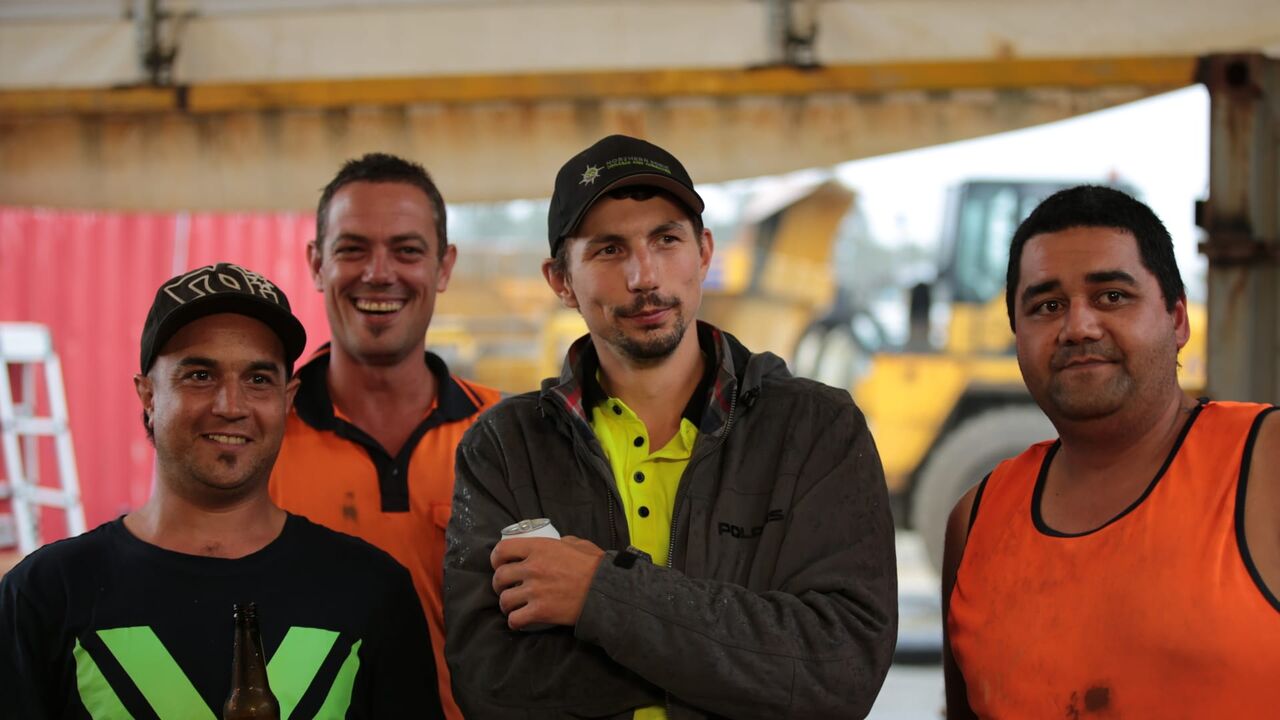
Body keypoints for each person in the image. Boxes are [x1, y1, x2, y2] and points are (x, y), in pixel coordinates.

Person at [443, 134, 897, 719]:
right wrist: (735, 658)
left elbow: (838, 670)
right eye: (609, 250)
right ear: (561, 280)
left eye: (666, 239)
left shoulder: (817, 431)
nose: (645, 276)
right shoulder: (505, 447)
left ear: (703, 252)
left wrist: (598, 594)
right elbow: (491, 684)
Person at [0, 263, 441, 718]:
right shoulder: (44, 595)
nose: (231, 406)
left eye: (258, 379)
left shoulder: (372, 590)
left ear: (287, 400)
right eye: (200, 375)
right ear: (148, 396)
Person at [943, 186, 1280, 718]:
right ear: (1017, 336)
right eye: (1047, 306)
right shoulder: (977, 522)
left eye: (1112, 297)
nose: (1078, 328)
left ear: (1177, 319)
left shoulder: (1265, 463)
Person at [269, 153, 501, 720]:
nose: (378, 272)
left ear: (444, 266)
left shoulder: (507, 436)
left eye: (407, 250)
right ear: (317, 263)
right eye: (352, 249)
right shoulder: (259, 433)